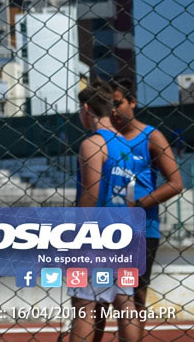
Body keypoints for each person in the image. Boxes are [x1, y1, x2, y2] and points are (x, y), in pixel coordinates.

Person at [109, 79, 183, 337]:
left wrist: (138, 205)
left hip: (140, 229)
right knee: (97, 299)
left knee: (134, 296)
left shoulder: (151, 137)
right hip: (105, 228)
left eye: (118, 103)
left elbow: (175, 183)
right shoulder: (104, 139)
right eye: (109, 105)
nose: (114, 111)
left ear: (132, 102)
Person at [67, 81, 139, 342]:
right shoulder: (126, 145)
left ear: (86, 108)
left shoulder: (92, 144)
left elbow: (91, 193)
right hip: (124, 230)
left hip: (96, 234)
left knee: (84, 304)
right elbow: (131, 193)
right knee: (125, 300)